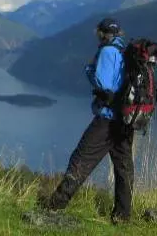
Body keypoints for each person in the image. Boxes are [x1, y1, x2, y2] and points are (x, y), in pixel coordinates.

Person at [42, 17, 135, 224]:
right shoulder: (126, 51)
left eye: (98, 33)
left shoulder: (107, 51)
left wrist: (89, 70)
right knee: (124, 167)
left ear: (102, 33)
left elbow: (103, 82)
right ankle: (122, 216)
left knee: (80, 159)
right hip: (126, 120)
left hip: (107, 119)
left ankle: (54, 206)